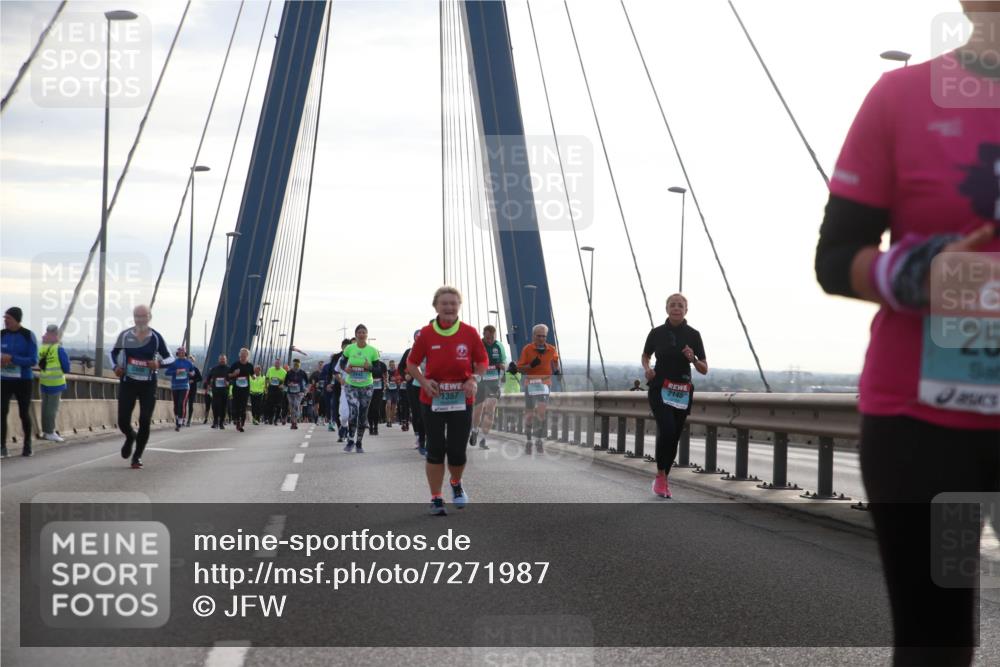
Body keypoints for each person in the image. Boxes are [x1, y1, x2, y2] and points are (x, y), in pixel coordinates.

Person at [814, 11, 999, 663]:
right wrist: (919, 271)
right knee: (936, 645)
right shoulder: (901, 98)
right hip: (923, 428)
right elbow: (836, 258)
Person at [406, 286, 488, 516]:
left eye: (453, 303)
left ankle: (456, 482)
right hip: (432, 399)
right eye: (445, 303)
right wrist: (423, 382)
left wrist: (474, 379)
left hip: (462, 398)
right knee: (435, 449)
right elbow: (412, 364)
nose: (449, 307)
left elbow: (482, 361)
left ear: (459, 306)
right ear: (436, 306)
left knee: (457, 451)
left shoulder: (469, 333)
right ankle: (436, 497)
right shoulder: (425, 334)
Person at [641, 294, 707, 499]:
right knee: (667, 429)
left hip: (682, 390)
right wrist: (647, 368)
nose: (676, 308)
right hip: (660, 387)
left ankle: (664, 478)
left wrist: (693, 358)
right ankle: (660, 476)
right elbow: (645, 355)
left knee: (674, 435)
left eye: (680, 305)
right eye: (672, 305)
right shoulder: (656, 333)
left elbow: (704, 369)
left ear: (686, 310)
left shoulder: (693, 335)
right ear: (667, 308)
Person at [109, 304, 174, 468]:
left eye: (143, 316)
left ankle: (137, 457)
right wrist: (115, 368)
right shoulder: (125, 336)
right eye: (137, 316)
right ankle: (130, 436)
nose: (140, 319)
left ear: (149, 317)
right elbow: (112, 353)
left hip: (148, 385)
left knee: (145, 420)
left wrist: (158, 364)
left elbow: (170, 358)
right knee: (123, 421)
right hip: (128, 383)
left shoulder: (156, 337)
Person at [517, 324, 560, 455]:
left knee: (541, 412)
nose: (542, 339)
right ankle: (529, 441)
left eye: (544, 336)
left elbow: (555, 361)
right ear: (533, 336)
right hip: (530, 384)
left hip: (545, 383)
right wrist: (530, 365)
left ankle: (539, 440)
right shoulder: (527, 349)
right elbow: (520, 368)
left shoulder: (551, 349)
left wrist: (557, 371)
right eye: (539, 336)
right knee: (529, 415)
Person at [2, 307, 38, 457]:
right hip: (4, 379)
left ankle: (27, 445)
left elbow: (33, 360)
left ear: (17, 319)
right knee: (1, 412)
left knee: (24, 413)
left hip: (23, 380)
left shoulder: (28, 335)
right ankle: (2, 446)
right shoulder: (2, 335)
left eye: (8, 318)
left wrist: (13, 359)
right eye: (4, 318)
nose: (5, 321)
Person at [341, 326, 380, 452]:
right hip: (351, 385)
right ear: (356, 335)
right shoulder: (349, 348)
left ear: (367, 335)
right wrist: (345, 368)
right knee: (354, 412)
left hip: (366, 386)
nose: (361, 334)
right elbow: (342, 362)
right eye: (359, 332)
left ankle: (359, 442)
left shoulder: (373, 351)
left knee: (363, 414)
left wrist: (370, 368)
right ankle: (350, 439)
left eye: (364, 332)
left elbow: (378, 369)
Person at [470, 325, 506, 450]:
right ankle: (474, 430)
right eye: (488, 337)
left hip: (493, 383)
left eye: (492, 338)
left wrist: (501, 366)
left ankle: (484, 438)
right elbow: (472, 364)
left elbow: (504, 364)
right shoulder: (478, 345)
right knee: (479, 409)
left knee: (490, 410)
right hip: (481, 382)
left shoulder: (498, 346)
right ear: (484, 335)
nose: (490, 340)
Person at [38, 324, 71, 442]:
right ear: (55, 335)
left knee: (45, 408)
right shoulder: (59, 348)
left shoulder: (42, 348)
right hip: (56, 383)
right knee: (52, 409)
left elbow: (41, 364)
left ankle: (45, 431)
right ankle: (50, 432)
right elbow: (67, 368)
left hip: (44, 381)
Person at [399, 329, 426, 453]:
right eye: (417, 338)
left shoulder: (429, 350)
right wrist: (406, 376)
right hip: (412, 385)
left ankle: (426, 438)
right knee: (416, 412)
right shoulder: (409, 352)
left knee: (425, 412)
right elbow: (401, 367)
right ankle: (418, 437)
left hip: (426, 385)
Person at [164, 346, 196, 431]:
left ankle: (180, 422)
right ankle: (177, 418)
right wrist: (175, 372)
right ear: (177, 353)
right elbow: (166, 372)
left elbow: (193, 372)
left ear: (185, 353)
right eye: (180, 352)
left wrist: (191, 373)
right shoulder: (174, 362)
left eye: (183, 352)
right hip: (175, 386)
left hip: (185, 386)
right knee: (176, 404)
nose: (181, 354)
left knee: (181, 403)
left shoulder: (189, 363)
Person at [228, 348, 254, 432]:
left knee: (243, 406)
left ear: (247, 356)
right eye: (242, 355)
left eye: (245, 355)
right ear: (239, 355)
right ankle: (237, 420)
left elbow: (253, 374)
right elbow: (229, 375)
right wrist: (234, 374)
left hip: (245, 388)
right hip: (236, 388)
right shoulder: (235, 364)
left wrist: (254, 377)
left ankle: (241, 422)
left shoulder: (250, 365)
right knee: (236, 405)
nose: (243, 356)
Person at [205, 354, 230, 430]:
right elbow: (208, 378)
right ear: (219, 360)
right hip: (215, 391)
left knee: (223, 407)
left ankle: (221, 423)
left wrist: (229, 383)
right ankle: (215, 422)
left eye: (223, 359)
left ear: (226, 360)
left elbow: (233, 379)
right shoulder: (214, 369)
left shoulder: (229, 369)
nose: (222, 360)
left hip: (224, 391)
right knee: (215, 406)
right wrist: (208, 384)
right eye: (221, 359)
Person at [285, 358, 309, 430]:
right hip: (290, 392)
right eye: (295, 365)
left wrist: (305, 390)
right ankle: (293, 422)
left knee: (296, 405)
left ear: (299, 365)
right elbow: (285, 383)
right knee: (292, 407)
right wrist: (289, 384)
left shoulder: (302, 372)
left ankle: (295, 421)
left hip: (299, 392)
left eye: (297, 365)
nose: (296, 366)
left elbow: (307, 382)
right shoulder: (289, 372)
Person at [368, 356, 388, 435]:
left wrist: (386, 384)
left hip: (379, 389)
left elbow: (386, 375)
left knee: (376, 408)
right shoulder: (368, 364)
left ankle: (375, 427)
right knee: (369, 408)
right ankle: (370, 426)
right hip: (368, 389)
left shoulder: (382, 365)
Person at [264, 358, 287, 425]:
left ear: (280, 364)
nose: (277, 364)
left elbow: (286, 382)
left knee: (278, 405)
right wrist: (267, 386)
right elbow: (267, 378)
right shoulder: (270, 369)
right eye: (276, 363)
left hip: (279, 390)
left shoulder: (284, 372)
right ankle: (270, 418)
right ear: (274, 363)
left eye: (278, 363)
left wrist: (282, 385)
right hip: (271, 388)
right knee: (270, 405)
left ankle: (276, 419)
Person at [385, 360, 400, 427]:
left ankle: (391, 419)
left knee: (393, 406)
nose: (392, 366)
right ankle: (388, 420)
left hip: (395, 390)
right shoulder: (387, 372)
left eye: (393, 365)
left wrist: (396, 379)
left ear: (395, 365)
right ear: (389, 365)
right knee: (388, 404)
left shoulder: (397, 371)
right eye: (391, 365)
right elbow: (385, 379)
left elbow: (400, 378)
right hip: (388, 390)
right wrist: (386, 383)